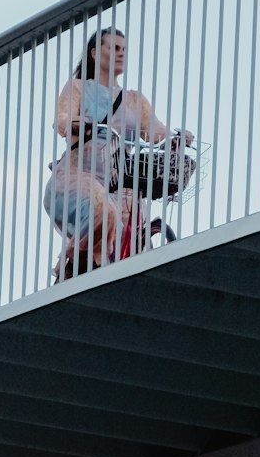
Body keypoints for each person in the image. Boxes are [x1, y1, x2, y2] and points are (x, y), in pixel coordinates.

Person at [44, 26, 188, 276]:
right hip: (78, 175)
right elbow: (63, 118)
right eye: (114, 48)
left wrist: (175, 139)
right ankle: (69, 260)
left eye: (123, 49)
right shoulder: (78, 87)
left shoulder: (134, 100)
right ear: (94, 54)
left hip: (120, 179)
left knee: (134, 239)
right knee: (105, 210)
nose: (121, 54)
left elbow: (154, 130)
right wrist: (75, 124)